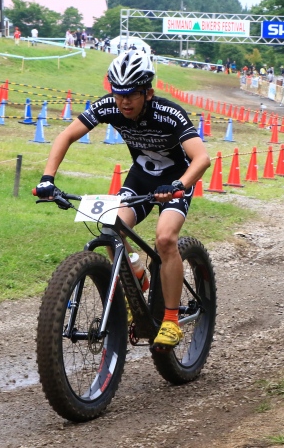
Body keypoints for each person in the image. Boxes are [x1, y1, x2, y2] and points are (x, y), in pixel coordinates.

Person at [34, 50, 211, 349]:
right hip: (141, 178)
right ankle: (137, 274)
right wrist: (47, 179)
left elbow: (202, 158)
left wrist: (179, 185)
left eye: (131, 94)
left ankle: (169, 319)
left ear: (148, 93)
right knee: (111, 227)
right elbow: (66, 136)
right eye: (118, 94)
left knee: (165, 238)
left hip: (177, 180)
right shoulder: (109, 107)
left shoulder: (170, 113)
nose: (124, 101)